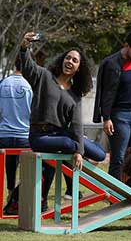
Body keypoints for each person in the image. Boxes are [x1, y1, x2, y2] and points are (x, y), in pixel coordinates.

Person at [8, 32, 106, 212]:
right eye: (68, 58)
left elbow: (76, 124)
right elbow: (28, 65)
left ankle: (72, 159)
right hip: (40, 136)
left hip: (61, 134)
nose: (70, 61)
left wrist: (79, 150)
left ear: (79, 68)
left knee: (99, 153)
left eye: (75, 61)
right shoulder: (44, 77)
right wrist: (24, 46)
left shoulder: (75, 95)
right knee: (72, 143)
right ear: (62, 60)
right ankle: (70, 185)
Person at [93, 32, 131, 180]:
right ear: (126, 46)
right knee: (118, 158)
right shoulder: (111, 63)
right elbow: (106, 92)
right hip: (120, 115)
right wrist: (106, 117)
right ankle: (115, 193)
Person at [0, 58, 32, 201]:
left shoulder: (3, 83)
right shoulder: (30, 85)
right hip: (24, 134)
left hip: (4, 133)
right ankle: (20, 196)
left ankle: (10, 191)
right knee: (27, 169)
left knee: (9, 165)